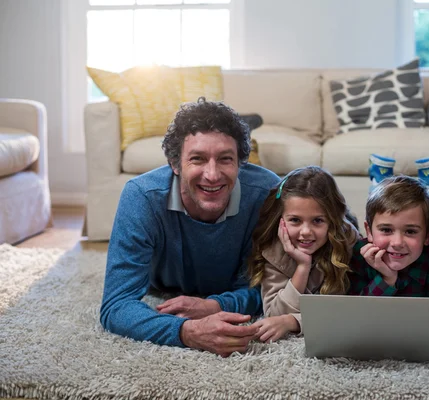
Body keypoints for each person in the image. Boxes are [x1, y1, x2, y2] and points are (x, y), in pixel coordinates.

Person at [100, 98, 280, 357]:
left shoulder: (266, 192)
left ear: (241, 163)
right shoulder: (142, 196)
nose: (212, 174)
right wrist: (187, 331)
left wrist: (216, 305)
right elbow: (115, 306)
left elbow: (276, 288)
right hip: (161, 283)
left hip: (233, 282)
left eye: (225, 159)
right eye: (197, 159)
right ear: (175, 164)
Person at [247, 166, 360, 342]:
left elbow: (347, 313)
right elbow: (274, 315)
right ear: (280, 220)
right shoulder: (274, 250)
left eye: (317, 220)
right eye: (295, 220)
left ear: (332, 221)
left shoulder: (347, 242)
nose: (306, 231)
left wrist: (293, 321)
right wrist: (302, 267)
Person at [347, 175, 429, 329]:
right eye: (386, 230)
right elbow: (353, 315)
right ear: (369, 231)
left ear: (427, 236)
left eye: (410, 231)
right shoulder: (358, 257)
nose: (397, 243)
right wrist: (386, 279)